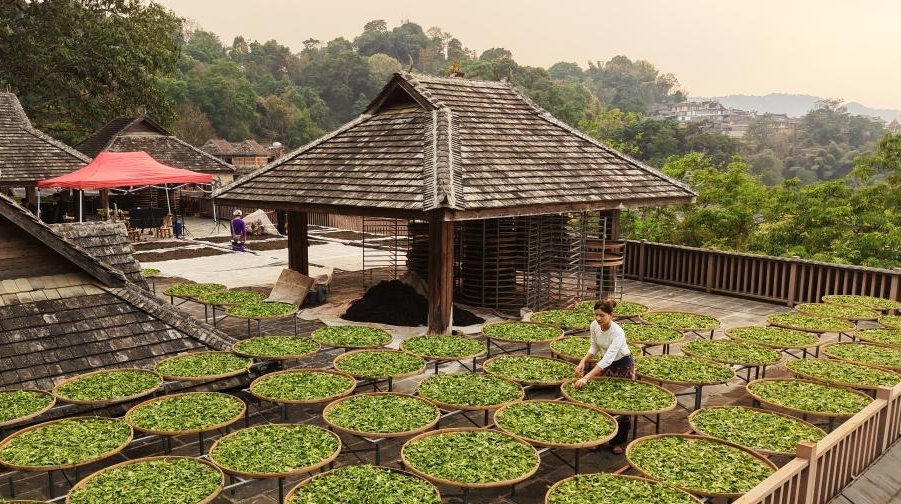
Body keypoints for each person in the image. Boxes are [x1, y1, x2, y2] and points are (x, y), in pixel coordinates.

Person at [573, 298, 634, 455]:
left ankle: (617, 441)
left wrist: (586, 377)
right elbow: (594, 347)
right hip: (605, 364)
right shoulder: (594, 325)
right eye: (596, 315)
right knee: (601, 401)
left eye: (602, 315)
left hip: (623, 366)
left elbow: (608, 359)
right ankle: (599, 438)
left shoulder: (618, 332)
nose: (598, 318)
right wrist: (583, 361)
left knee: (620, 403)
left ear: (611, 315)